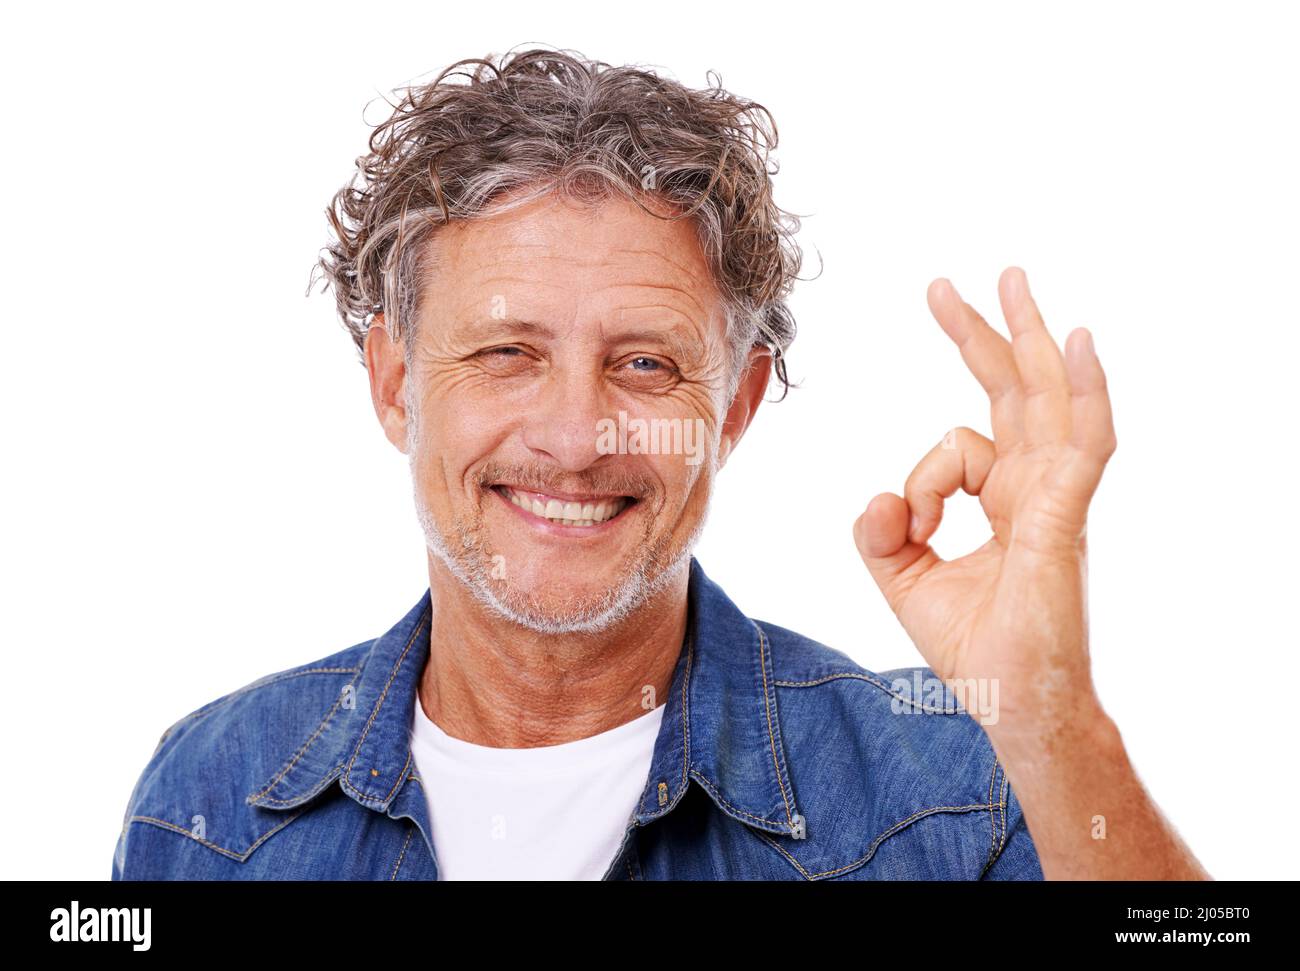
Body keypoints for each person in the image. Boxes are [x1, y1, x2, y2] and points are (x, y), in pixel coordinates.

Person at [112, 46, 1208, 880]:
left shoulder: (945, 793)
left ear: (735, 403)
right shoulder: (206, 801)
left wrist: (1054, 722)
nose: (575, 437)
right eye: (507, 353)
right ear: (396, 384)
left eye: (644, 363)